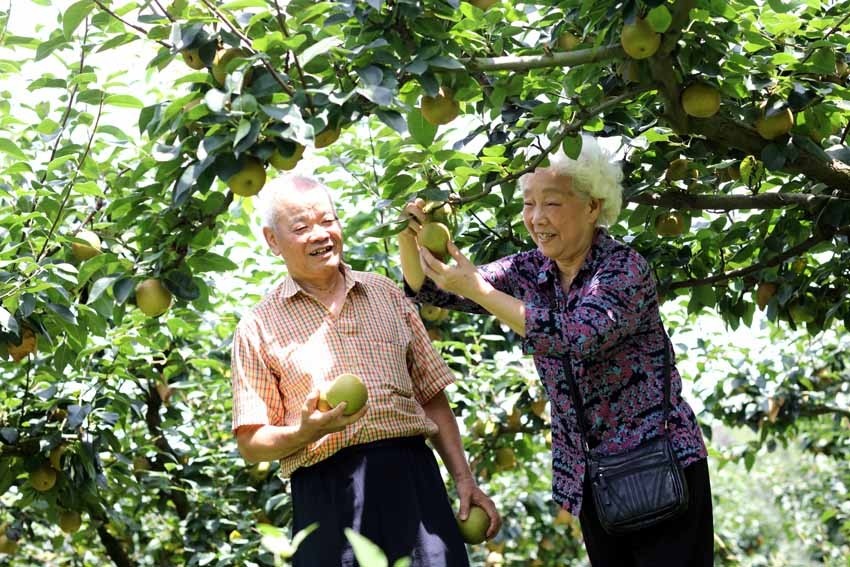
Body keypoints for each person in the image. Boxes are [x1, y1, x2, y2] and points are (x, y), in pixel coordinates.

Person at [398, 135, 713, 566]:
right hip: (592, 480)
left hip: (658, 465)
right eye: (528, 203)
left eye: (552, 203)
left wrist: (481, 290)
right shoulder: (531, 269)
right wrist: (409, 234)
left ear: (593, 206)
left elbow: (577, 336)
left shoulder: (624, 269)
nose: (536, 217)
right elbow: (432, 290)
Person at [230, 174, 500, 567]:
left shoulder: (387, 294)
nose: (321, 234)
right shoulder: (257, 326)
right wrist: (306, 431)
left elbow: (432, 397)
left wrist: (464, 480)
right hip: (326, 492)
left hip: (413, 480)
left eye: (328, 221)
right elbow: (251, 442)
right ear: (273, 240)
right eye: (302, 227)